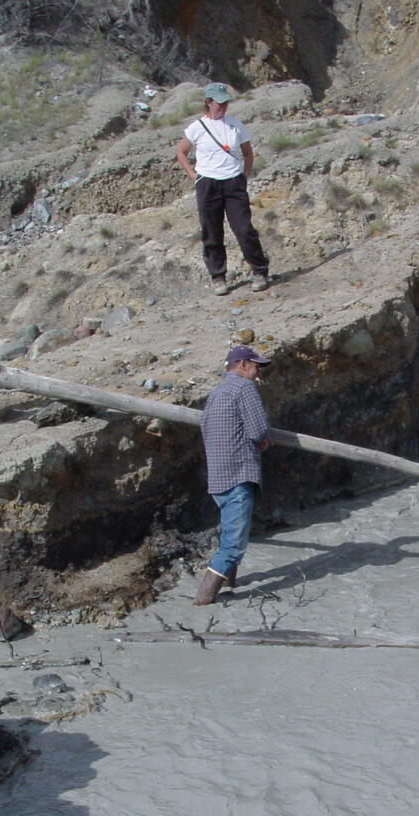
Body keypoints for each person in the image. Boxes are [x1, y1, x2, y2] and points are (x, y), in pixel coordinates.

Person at [176, 82, 271, 296]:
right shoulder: (196, 127)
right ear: (208, 102)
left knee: (244, 228)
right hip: (208, 183)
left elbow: (248, 153)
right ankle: (218, 276)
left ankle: (260, 270)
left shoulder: (236, 125)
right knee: (211, 230)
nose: (223, 107)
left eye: (226, 102)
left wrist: (244, 176)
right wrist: (194, 175)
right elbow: (181, 152)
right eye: (219, 103)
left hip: (233, 182)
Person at [196, 344, 273, 605]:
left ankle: (229, 587)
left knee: (230, 534)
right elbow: (259, 430)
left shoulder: (217, 393)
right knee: (234, 544)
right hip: (239, 473)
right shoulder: (244, 388)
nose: (259, 372)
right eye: (256, 366)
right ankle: (204, 599)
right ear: (243, 365)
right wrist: (263, 438)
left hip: (218, 476)